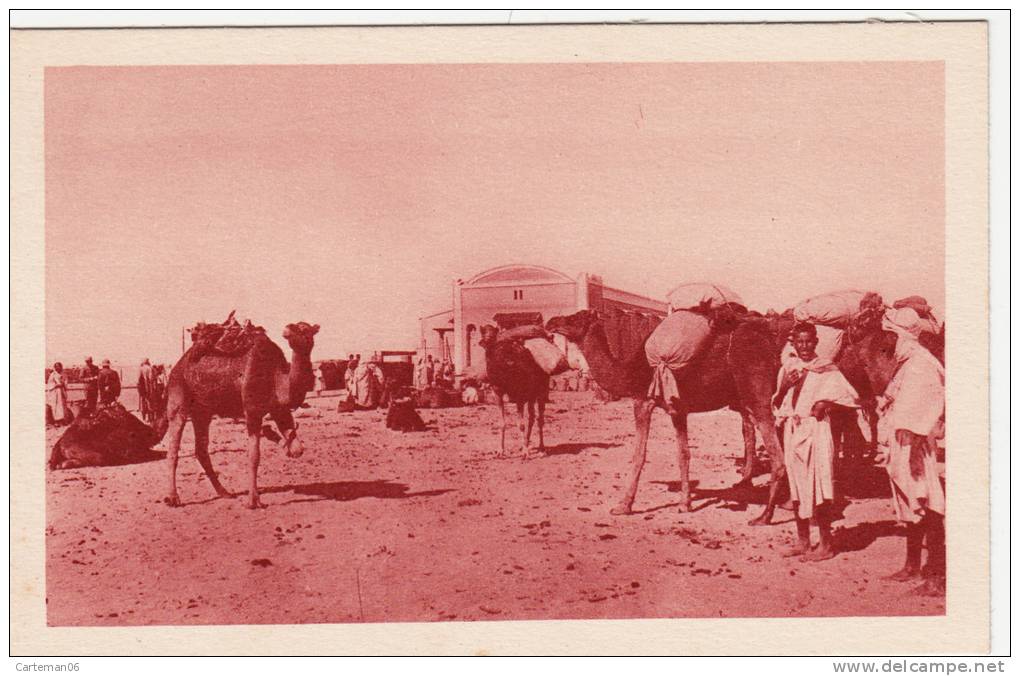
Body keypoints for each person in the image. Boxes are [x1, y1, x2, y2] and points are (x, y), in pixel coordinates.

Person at [772, 322, 860, 562]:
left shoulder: (827, 369)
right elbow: (778, 402)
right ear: (793, 343)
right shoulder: (789, 368)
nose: (804, 347)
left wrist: (826, 404)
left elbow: (850, 398)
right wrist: (785, 386)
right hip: (794, 429)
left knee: (820, 488)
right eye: (799, 342)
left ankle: (826, 544)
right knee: (797, 488)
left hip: (817, 431)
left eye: (808, 341)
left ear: (816, 342)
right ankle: (803, 541)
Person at [877, 307, 946, 595]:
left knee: (928, 506)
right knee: (910, 505)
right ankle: (912, 565)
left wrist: (915, 452)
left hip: (917, 448)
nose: (886, 341)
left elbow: (930, 408)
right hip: (904, 444)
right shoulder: (908, 363)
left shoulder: (922, 365)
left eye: (889, 335)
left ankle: (936, 578)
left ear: (901, 335)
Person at [46, 362, 69, 426]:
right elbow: (49, 384)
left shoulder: (64, 374)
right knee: (55, 407)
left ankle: (64, 420)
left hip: (61, 392)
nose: (58, 368)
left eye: (59, 366)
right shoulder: (53, 374)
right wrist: (55, 385)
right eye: (56, 367)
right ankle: (57, 421)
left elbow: (66, 382)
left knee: (63, 406)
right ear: (55, 367)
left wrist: (63, 384)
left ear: (61, 367)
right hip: (55, 392)